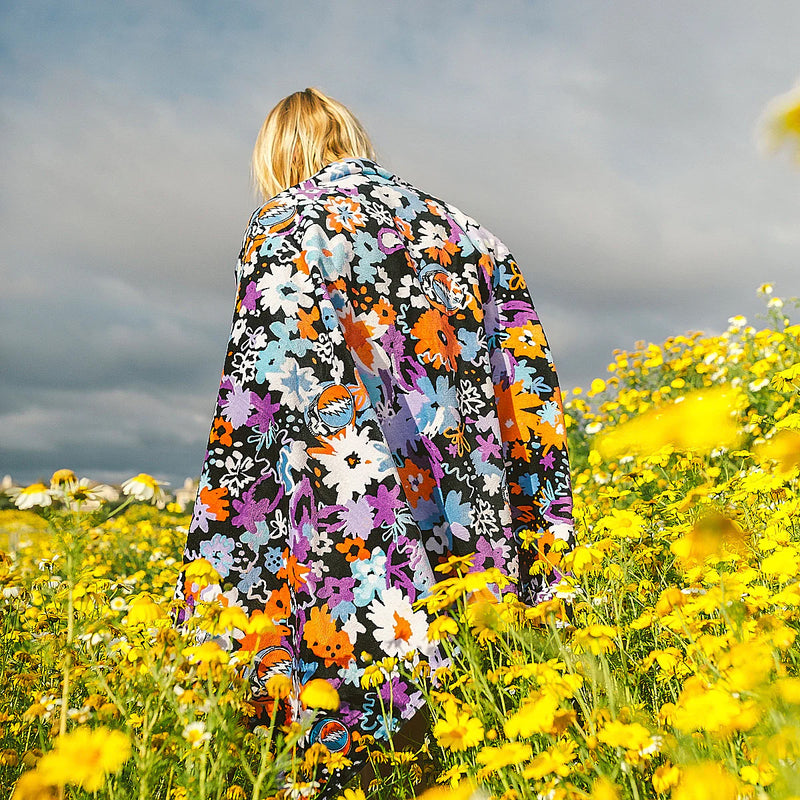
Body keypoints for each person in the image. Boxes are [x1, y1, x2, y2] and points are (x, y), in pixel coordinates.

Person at [174, 86, 575, 798]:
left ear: (279, 156)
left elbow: (260, 410)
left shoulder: (286, 225)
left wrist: (224, 599)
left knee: (364, 769)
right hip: (475, 547)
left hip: (359, 563)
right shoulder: (470, 233)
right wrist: (541, 557)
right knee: (479, 757)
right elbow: (529, 394)